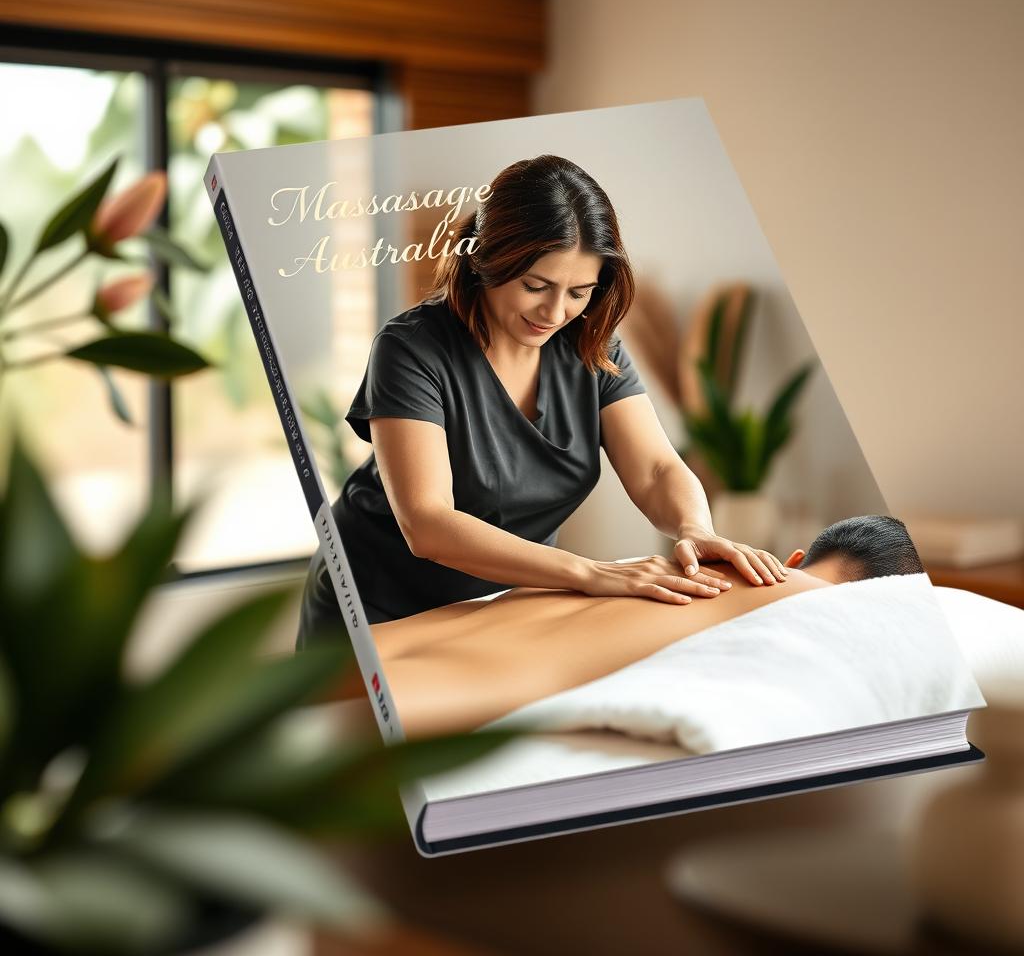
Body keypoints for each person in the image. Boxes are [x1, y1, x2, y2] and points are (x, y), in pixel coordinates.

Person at [299, 154, 787, 645]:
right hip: (375, 604)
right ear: (488, 262)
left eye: (580, 292)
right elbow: (427, 523)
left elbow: (657, 468)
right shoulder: (411, 348)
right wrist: (592, 573)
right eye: (536, 286)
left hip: (503, 603)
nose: (555, 312)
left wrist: (694, 527)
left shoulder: (593, 344)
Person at [372, 515, 926, 737]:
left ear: (799, 556)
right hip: (443, 702)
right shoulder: (826, 613)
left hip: (384, 644)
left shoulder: (675, 565)